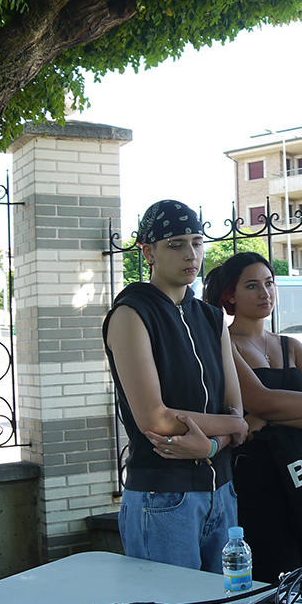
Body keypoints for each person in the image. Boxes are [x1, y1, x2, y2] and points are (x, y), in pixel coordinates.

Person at [103, 199, 248, 572]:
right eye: (176, 244)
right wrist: (234, 428)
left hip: (222, 492)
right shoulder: (132, 313)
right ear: (148, 252)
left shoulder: (211, 317)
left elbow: (234, 404)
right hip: (163, 497)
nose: (191, 254)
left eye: (197, 242)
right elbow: (157, 419)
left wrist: (212, 443)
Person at [202, 252, 302, 582]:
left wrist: (268, 419)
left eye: (269, 283)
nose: (264, 293)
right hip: (256, 480)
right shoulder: (224, 343)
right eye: (252, 286)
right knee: (269, 573)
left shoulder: (291, 346)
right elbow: (262, 400)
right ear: (230, 296)